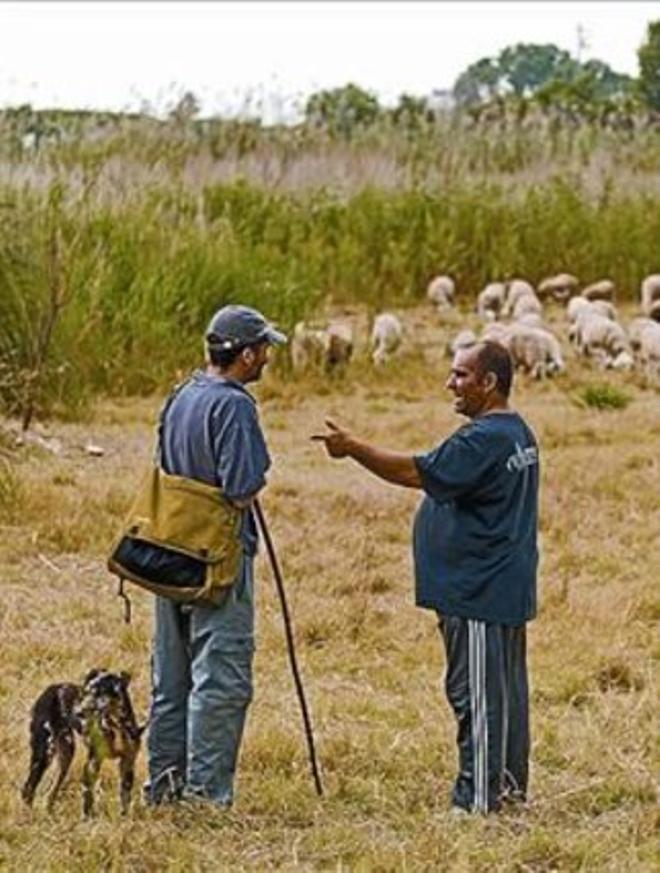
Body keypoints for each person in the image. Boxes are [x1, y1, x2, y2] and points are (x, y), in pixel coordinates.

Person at [312, 341, 539, 815]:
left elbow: (415, 473)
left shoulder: (482, 439)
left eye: (460, 375)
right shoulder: (517, 433)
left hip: (477, 591)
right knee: (504, 692)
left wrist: (353, 448)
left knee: (477, 695)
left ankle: (477, 802)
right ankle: (509, 790)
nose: (449, 385)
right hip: (501, 584)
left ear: (489, 383)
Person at [145, 304, 286, 808]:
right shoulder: (235, 405)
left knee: (171, 676)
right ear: (246, 354)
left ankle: (162, 788)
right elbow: (242, 487)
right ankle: (205, 798)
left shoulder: (181, 393)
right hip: (217, 558)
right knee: (220, 677)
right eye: (264, 349)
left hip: (167, 550)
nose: (268, 357)